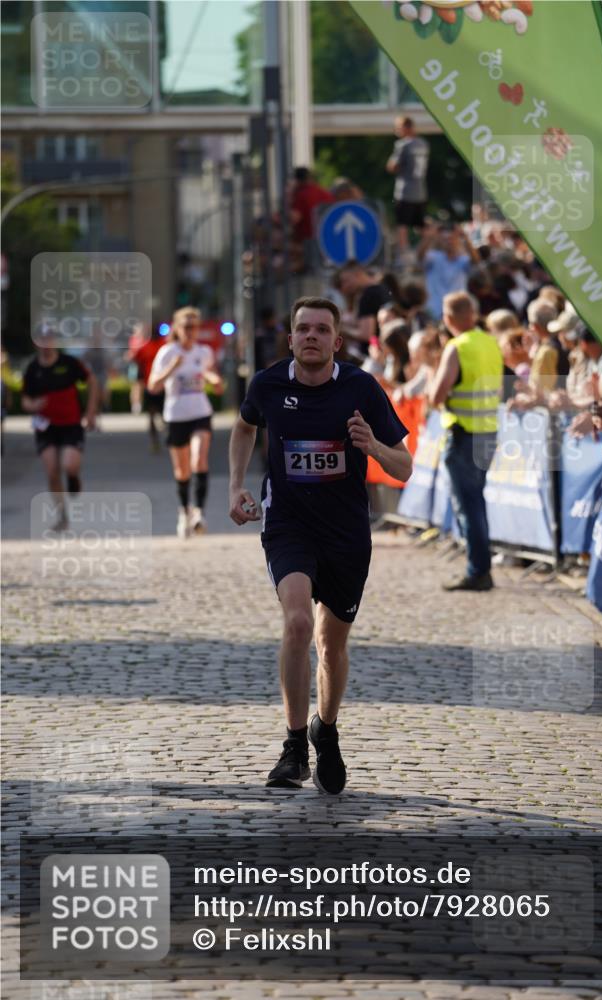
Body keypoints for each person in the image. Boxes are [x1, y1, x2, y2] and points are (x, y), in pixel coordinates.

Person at [228, 296, 412, 793]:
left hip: (347, 533)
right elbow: (244, 426)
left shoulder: (361, 388)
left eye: (321, 329)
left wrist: (371, 446)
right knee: (297, 622)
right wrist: (235, 485)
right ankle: (293, 746)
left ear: (337, 340)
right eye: (302, 329)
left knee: (331, 644)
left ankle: (324, 732)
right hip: (288, 524)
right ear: (290, 339)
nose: (311, 336)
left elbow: (404, 466)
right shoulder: (268, 384)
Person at [428, 291, 503, 591]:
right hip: (488, 431)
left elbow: (437, 395)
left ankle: (478, 571)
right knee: (477, 502)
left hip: (462, 435)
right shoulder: (490, 342)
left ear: (448, 319)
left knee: (467, 505)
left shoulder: (456, 347)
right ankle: (480, 567)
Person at [148, 307, 224, 538]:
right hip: (175, 415)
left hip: (200, 412)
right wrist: (173, 368)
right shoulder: (167, 352)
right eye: (187, 327)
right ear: (177, 329)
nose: (191, 331)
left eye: (195, 327)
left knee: (199, 459)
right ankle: (184, 512)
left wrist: (215, 380)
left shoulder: (204, 351)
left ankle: (199, 512)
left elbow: (212, 376)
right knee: (182, 471)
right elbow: (153, 386)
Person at [21, 326, 99, 531]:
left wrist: (90, 412)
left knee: (69, 465)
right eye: (42, 339)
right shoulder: (32, 368)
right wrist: (32, 406)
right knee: (51, 471)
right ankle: (62, 516)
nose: (46, 344)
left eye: (50, 339)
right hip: (45, 427)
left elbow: (92, 381)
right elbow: (25, 400)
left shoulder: (69, 363)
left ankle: (73, 478)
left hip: (71, 424)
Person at [386, 115, 430, 256]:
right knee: (421, 226)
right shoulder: (423, 144)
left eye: (398, 127)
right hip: (420, 191)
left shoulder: (402, 144)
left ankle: (404, 256)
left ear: (406, 127)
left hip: (404, 191)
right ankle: (424, 253)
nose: (396, 130)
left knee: (402, 226)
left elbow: (392, 166)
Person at [417, 222, 479, 320]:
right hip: (435, 311)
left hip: (457, 311)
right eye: (445, 239)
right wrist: (430, 236)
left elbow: (476, 262)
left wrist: (465, 237)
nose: (448, 242)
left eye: (451, 239)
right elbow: (420, 256)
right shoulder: (433, 257)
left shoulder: (463, 260)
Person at [336, 261, 395, 345]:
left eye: (346, 281)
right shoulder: (382, 288)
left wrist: (340, 330)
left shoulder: (368, 294)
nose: (344, 286)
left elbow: (366, 334)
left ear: (358, 274)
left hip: (373, 352)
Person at [128, 324, 166, 452]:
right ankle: (155, 441)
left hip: (163, 386)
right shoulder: (145, 346)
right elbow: (135, 361)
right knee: (152, 415)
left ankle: (167, 437)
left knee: (162, 415)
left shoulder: (163, 345)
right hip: (150, 385)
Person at [290, 167, 334, 271]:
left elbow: (295, 217)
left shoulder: (301, 195)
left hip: (309, 237)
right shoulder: (323, 192)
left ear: (297, 180)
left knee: (311, 268)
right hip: (327, 237)